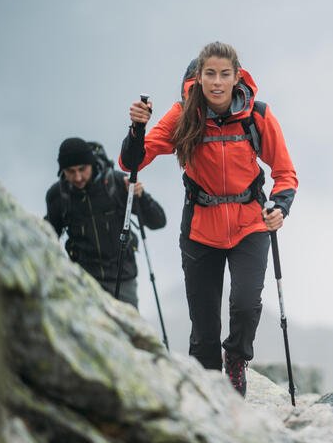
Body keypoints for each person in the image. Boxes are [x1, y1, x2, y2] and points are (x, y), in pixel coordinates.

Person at [119, 41, 298, 397]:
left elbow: (285, 173)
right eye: (210, 74)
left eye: (225, 74)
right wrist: (137, 128)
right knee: (203, 327)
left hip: (250, 225)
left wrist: (279, 206)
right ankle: (207, 393)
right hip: (200, 229)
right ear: (199, 78)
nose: (217, 82)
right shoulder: (182, 115)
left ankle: (235, 359)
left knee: (246, 304)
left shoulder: (256, 115)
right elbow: (132, 162)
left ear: (237, 77)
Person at [45, 137, 167, 307]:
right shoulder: (57, 196)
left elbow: (158, 220)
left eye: (82, 169)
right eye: (70, 171)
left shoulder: (118, 183)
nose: (78, 177)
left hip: (123, 278)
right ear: (62, 170)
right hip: (84, 282)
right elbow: (47, 237)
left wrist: (141, 196)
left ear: (92, 164)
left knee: (129, 333)